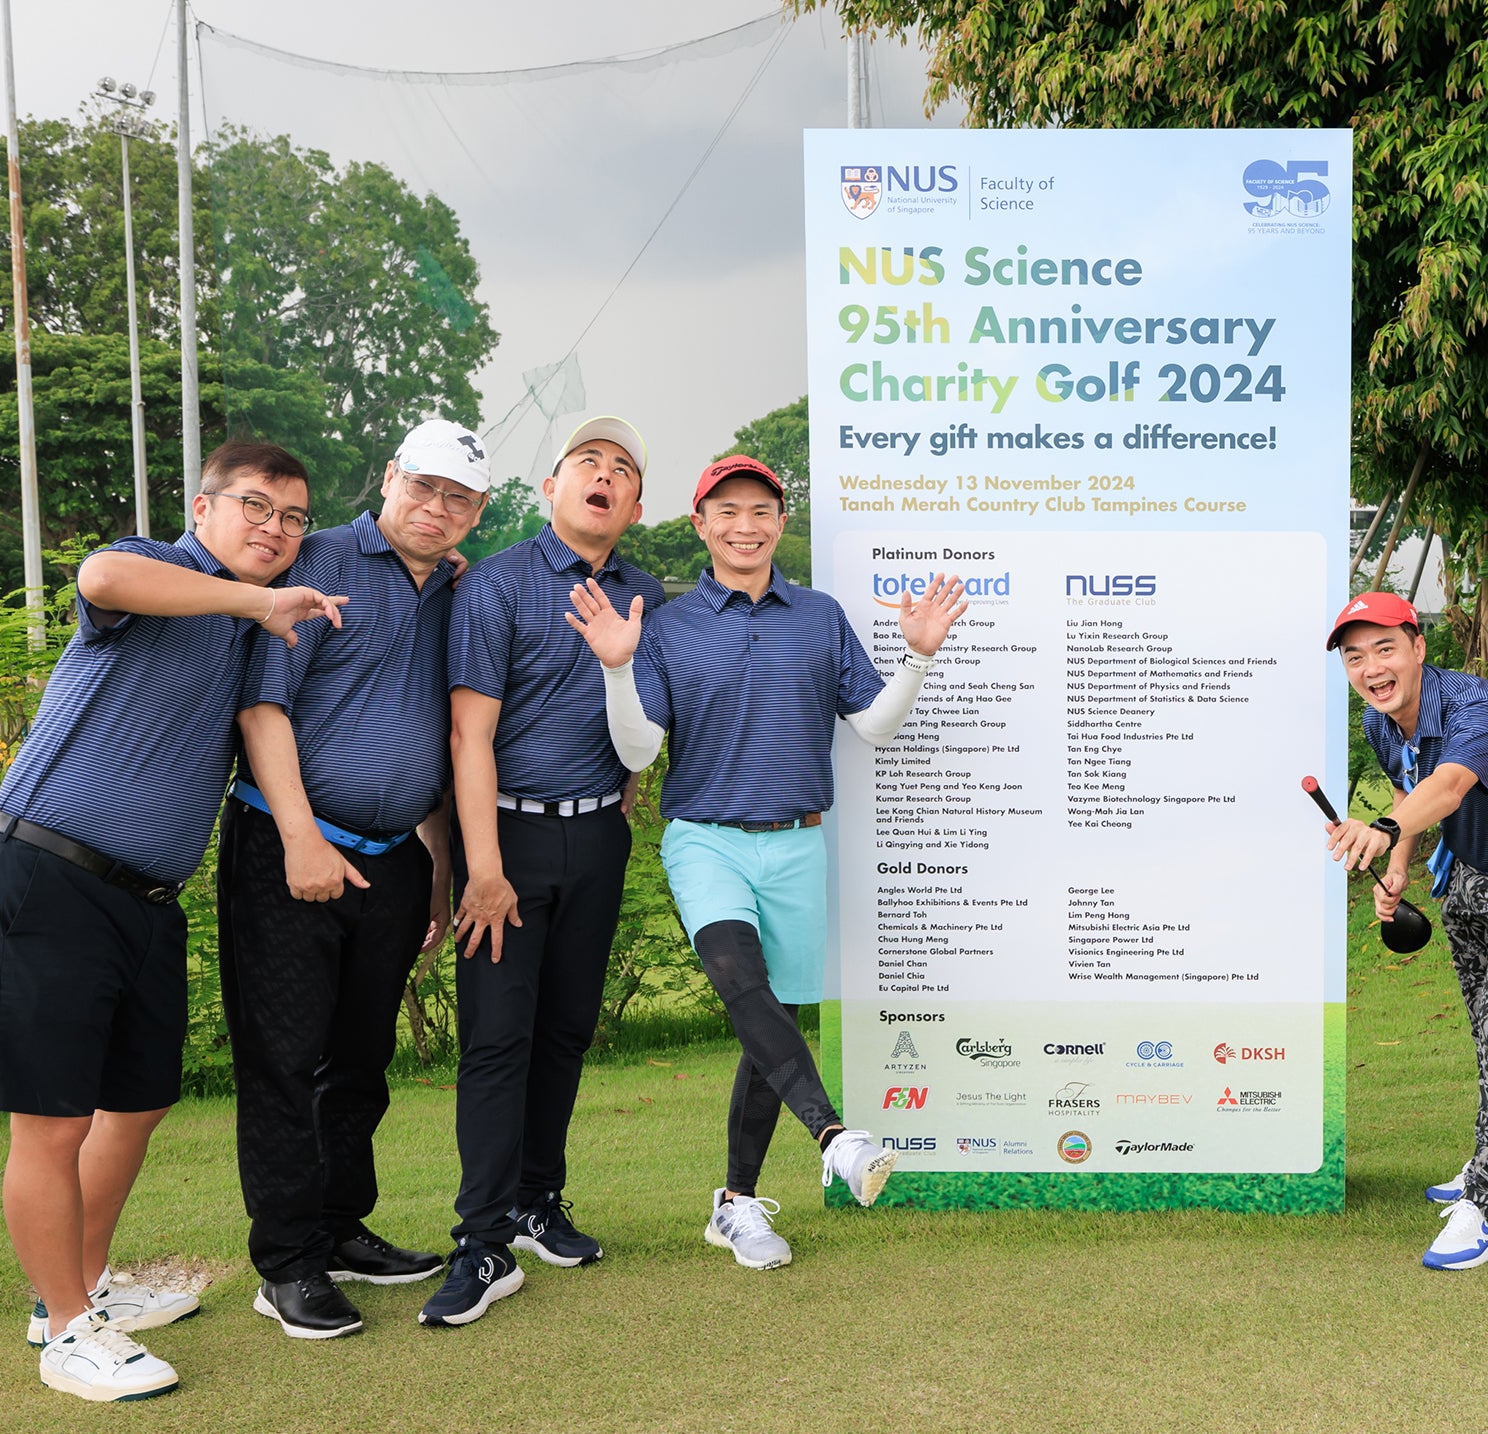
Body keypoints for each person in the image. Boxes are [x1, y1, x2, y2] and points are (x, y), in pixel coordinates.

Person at [0, 440, 347, 1400]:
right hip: (45, 874)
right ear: (203, 507)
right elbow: (101, 576)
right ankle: (65, 1330)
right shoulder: (159, 570)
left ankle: (82, 1285)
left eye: (293, 518)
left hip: (143, 901)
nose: (275, 529)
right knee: (51, 1123)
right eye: (255, 506)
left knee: (135, 1104)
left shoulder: (251, 628)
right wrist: (254, 600)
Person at [565, 455, 964, 1270]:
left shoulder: (820, 616)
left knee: (767, 1023)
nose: (744, 526)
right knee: (741, 983)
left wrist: (919, 656)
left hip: (797, 843)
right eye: (727, 511)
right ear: (700, 524)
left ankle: (736, 1205)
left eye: (760, 511)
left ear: (781, 522)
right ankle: (835, 1136)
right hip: (705, 838)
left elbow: (875, 725)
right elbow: (639, 749)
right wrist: (617, 667)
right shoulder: (667, 624)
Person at [219, 421, 493, 1340]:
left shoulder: (458, 590)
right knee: (284, 1062)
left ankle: (339, 1229)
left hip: (393, 858)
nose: (437, 509)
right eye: (424, 487)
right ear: (389, 478)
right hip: (287, 846)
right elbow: (263, 706)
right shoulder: (318, 560)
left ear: (478, 511)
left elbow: (444, 738)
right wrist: (301, 839)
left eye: (459, 498)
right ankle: (287, 1263)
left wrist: (439, 865)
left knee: (360, 1062)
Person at [430, 417, 665, 1328]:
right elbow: (469, 735)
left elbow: (645, 723)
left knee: (565, 1032)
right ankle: (481, 1240)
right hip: (509, 840)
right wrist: (483, 869)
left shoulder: (645, 593)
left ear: (634, 507)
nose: (604, 477)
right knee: (497, 1041)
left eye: (622, 471)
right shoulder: (497, 584)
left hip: (597, 836)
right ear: (552, 488)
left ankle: (536, 1202)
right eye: (587, 463)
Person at [1322, 590, 1488, 1273]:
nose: (1371, 668)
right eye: (1355, 657)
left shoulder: (1477, 705)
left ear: (1418, 647)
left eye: (1385, 648)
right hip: (1474, 865)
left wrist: (1382, 831)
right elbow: (1407, 789)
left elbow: (1446, 786)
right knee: (1486, 1017)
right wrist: (1398, 865)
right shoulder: (1379, 720)